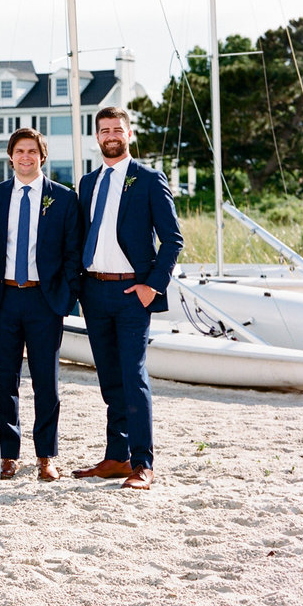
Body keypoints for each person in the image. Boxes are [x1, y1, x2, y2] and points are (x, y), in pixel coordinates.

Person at [73, 106, 183, 491]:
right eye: (104, 130)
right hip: (94, 291)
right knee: (109, 380)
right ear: (97, 137)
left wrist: (153, 285)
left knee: (133, 375)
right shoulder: (87, 182)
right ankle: (116, 457)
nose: (110, 135)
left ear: (129, 134)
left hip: (132, 292)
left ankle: (143, 463)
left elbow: (173, 239)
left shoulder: (149, 179)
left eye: (117, 129)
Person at [0, 128, 82, 482]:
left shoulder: (64, 198)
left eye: (32, 151)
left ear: (43, 156)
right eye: (20, 151)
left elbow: (73, 254)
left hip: (44, 300)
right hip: (3, 298)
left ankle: (45, 456)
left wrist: (64, 299)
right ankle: (9, 455)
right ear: (11, 156)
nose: (26, 157)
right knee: (5, 381)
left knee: (46, 382)